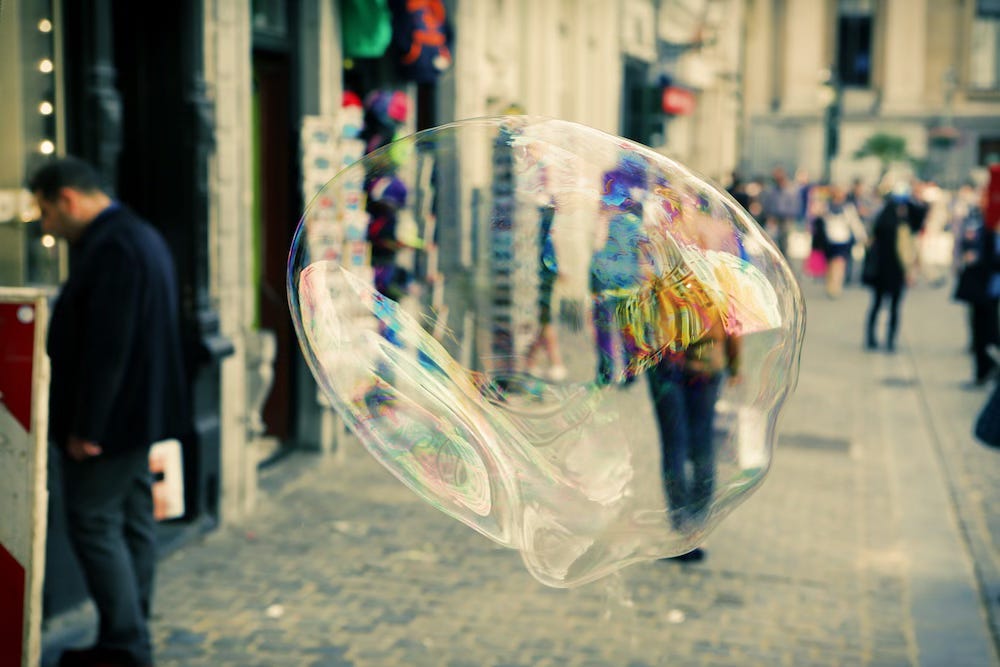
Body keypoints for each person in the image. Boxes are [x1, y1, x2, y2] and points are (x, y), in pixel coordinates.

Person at [30, 157, 189, 667]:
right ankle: (130, 633)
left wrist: (88, 428)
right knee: (133, 521)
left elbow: (109, 346)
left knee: (95, 522)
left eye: (46, 212)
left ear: (68, 199)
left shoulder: (114, 246)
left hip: (113, 422)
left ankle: (125, 644)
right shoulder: (138, 235)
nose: (47, 226)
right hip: (141, 415)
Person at [864, 185, 924, 352]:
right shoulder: (901, 226)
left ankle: (872, 338)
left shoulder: (883, 219)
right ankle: (889, 340)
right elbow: (920, 216)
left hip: (881, 272)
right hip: (895, 272)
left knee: (877, 305)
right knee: (893, 307)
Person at [813, 185, 867, 298]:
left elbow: (855, 223)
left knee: (839, 263)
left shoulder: (848, 208)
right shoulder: (826, 206)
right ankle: (830, 284)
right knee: (830, 264)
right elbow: (817, 217)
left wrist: (862, 236)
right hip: (829, 240)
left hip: (843, 239)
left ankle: (835, 286)